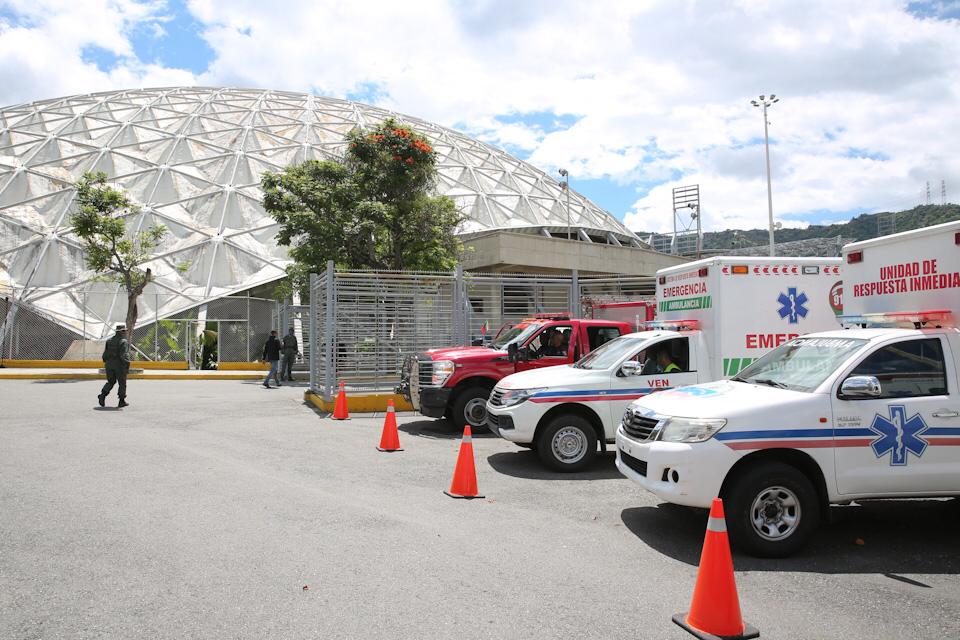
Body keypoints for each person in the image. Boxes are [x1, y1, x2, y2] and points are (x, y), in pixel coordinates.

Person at [98, 324, 131, 408]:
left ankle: (102, 395)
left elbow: (105, 354)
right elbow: (124, 355)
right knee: (122, 383)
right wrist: (127, 364)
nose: (125, 333)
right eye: (124, 331)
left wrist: (107, 363)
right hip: (119, 365)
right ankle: (121, 401)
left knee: (111, 381)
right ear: (122, 332)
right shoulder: (123, 341)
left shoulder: (109, 341)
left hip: (109, 364)